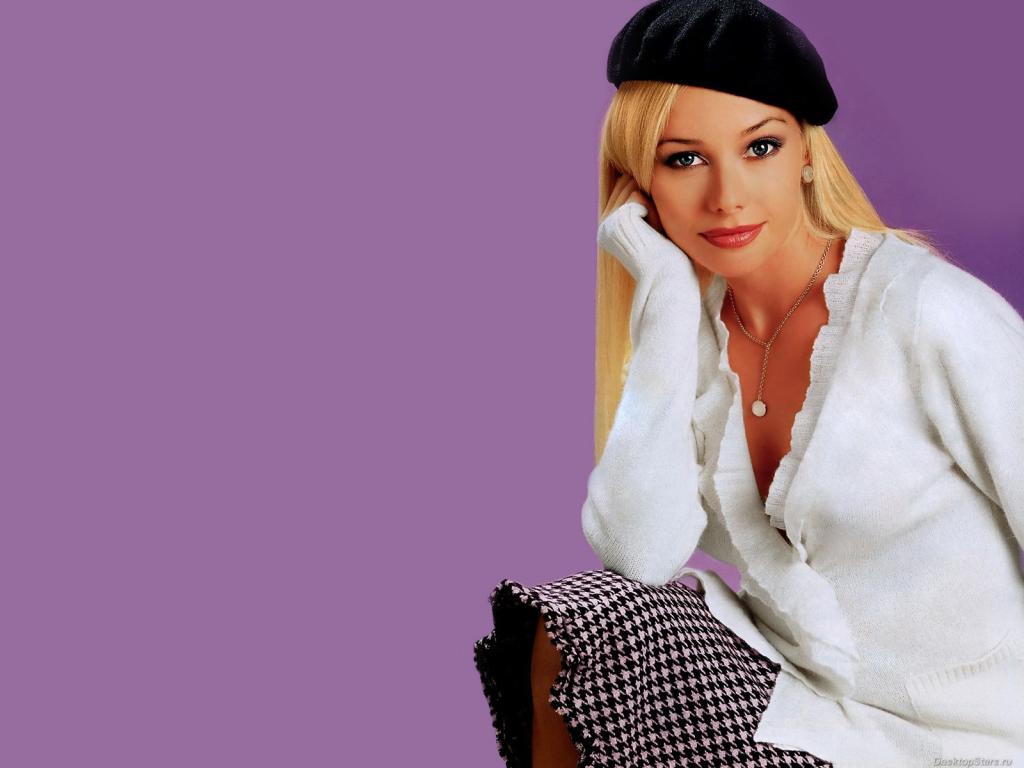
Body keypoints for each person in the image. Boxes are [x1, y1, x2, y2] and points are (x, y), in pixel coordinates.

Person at [473, 1, 1024, 765]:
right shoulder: (690, 332)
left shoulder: (930, 312)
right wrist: (665, 299)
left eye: (760, 146)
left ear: (806, 153)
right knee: (583, 620)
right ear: (640, 185)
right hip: (809, 712)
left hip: (977, 737)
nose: (726, 196)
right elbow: (639, 553)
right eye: (683, 160)